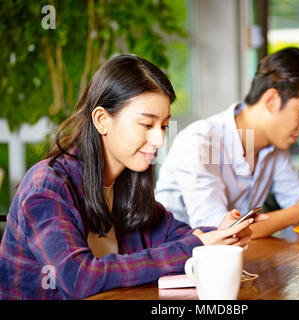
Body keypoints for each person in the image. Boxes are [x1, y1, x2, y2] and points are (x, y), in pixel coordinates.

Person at [0, 55, 258, 300]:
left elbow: (177, 237)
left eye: (164, 125)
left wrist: (222, 234)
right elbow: (78, 277)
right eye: (147, 125)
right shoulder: (48, 186)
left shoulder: (126, 181)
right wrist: (198, 245)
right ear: (102, 120)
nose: (159, 139)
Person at [155, 47, 299, 238]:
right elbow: (218, 230)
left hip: (238, 260)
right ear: (271, 100)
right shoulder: (200, 141)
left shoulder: (275, 147)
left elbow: (298, 199)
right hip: (177, 262)